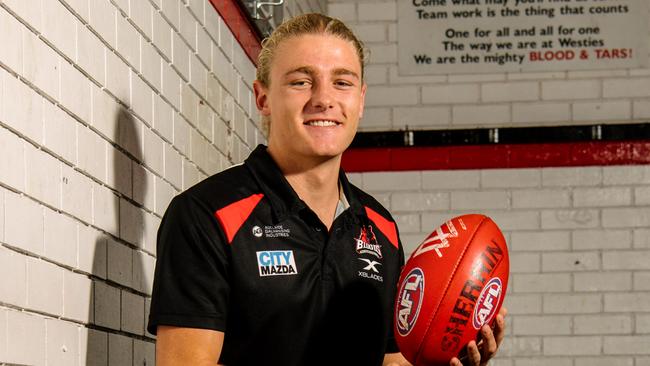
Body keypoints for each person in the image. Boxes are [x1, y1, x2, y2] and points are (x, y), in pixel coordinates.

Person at [147, 13, 506, 366]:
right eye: (301, 81)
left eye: (342, 82)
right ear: (263, 98)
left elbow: (389, 359)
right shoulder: (204, 215)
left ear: (361, 100)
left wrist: (438, 361)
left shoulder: (380, 228)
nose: (323, 98)